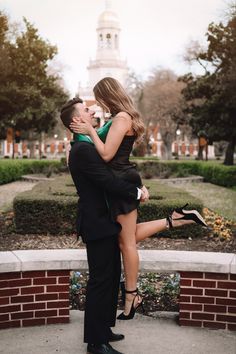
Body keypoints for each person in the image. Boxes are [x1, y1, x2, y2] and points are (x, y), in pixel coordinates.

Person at [69, 77, 208, 321]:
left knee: (126, 243)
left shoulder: (122, 118)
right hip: (121, 179)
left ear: (107, 95)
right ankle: (175, 219)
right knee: (125, 236)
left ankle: (132, 297)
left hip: (121, 180)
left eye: (100, 98)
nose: (99, 103)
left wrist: (90, 130)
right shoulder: (119, 117)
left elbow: (107, 154)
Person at [60, 97, 149, 354]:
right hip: (97, 223)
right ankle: (96, 343)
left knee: (110, 278)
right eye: (86, 111)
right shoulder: (83, 150)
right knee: (100, 281)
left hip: (104, 222)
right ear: (77, 120)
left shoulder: (86, 145)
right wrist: (136, 192)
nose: (91, 111)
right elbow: (107, 181)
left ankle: (104, 329)